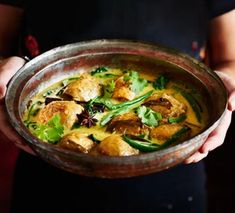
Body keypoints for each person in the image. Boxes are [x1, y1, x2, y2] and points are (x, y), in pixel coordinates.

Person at [0, 1, 235, 212]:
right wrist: (8, 68)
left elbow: (231, 59)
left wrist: (223, 86)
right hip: (48, 176)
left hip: (174, 176)